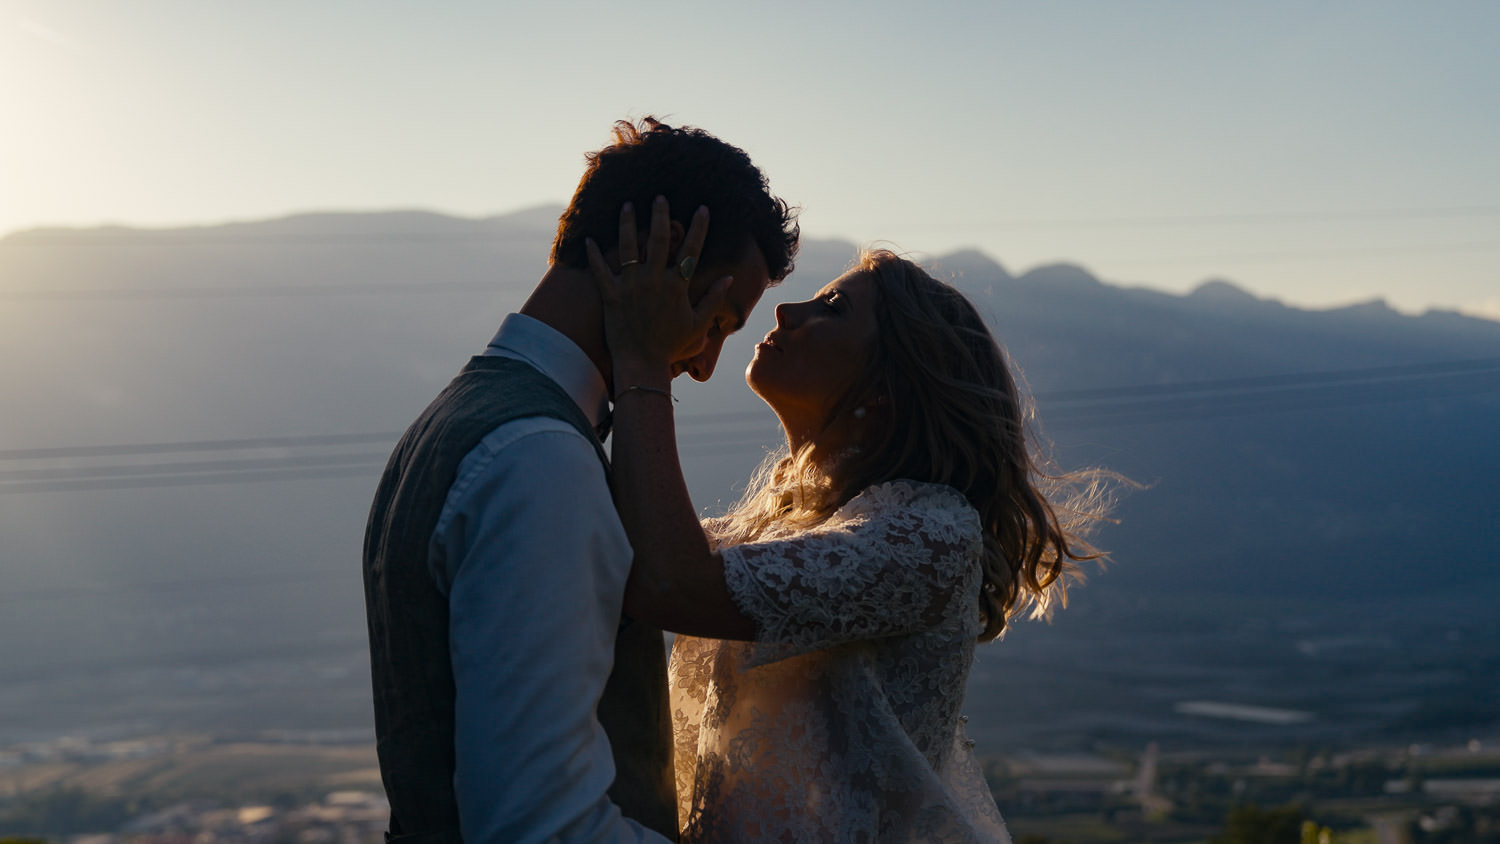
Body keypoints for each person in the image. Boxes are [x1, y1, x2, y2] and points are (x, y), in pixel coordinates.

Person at [587, 206, 1115, 842]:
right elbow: (639, 550)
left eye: (831, 309)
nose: (784, 313)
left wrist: (642, 360)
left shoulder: (930, 535)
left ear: (888, 387)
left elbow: (672, 583)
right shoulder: (781, 522)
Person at [362, 118, 799, 844]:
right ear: (662, 264)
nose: (706, 363)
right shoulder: (539, 459)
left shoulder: (459, 424)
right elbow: (541, 827)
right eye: (718, 320)